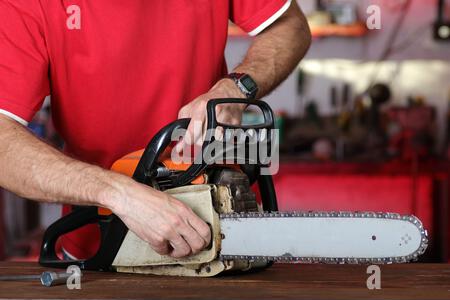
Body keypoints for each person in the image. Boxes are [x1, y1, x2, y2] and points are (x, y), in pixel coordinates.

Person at [0, 0, 311, 260]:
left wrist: (237, 86)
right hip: (98, 243)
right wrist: (118, 193)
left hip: (218, 217)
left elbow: (290, 26)